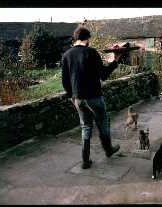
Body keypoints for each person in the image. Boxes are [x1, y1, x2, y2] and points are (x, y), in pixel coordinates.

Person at [61, 26, 122, 169]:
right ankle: (108, 150)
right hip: (94, 97)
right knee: (102, 123)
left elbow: (65, 82)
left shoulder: (66, 55)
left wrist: (72, 96)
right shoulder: (92, 53)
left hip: (78, 99)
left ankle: (85, 160)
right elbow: (104, 75)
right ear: (87, 39)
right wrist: (115, 60)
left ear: (76, 38)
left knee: (86, 127)